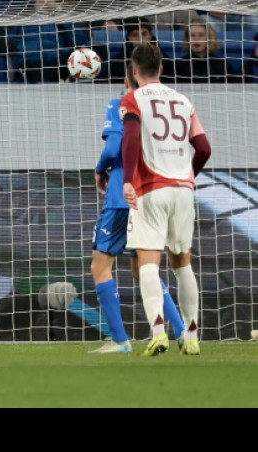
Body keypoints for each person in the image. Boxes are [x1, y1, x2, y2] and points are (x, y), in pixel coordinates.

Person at [121, 43, 212, 357]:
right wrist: (188, 176)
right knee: (182, 263)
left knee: (148, 262)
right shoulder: (184, 101)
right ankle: (191, 336)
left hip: (150, 189)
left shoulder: (132, 99)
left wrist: (129, 181)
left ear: (134, 70)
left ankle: (158, 332)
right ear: (161, 69)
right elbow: (204, 149)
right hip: (183, 191)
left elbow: (131, 138)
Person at [89, 62, 185, 354]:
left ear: (125, 80)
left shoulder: (120, 103)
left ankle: (120, 341)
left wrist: (99, 168)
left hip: (122, 196)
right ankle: (182, 333)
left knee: (100, 265)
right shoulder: (163, 110)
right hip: (152, 195)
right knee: (144, 268)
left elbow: (113, 147)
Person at [101, 17, 175, 85]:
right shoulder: (115, 63)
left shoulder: (165, 61)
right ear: (129, 38)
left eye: (144, 34)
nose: (140, 39)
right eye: (135, 35)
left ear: (150, 35)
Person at [173, 20, 240, 84]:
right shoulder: (178, 66)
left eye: (201, 35)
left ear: (209, 38)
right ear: (187, 39)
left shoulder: (223, 66)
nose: (196, 39)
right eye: (192, 35)